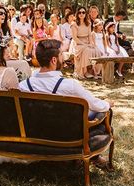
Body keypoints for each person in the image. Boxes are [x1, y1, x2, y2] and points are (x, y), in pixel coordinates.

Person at [19, 39, 113, 170]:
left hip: (38, 134)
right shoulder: (70, 86)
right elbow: (96, 105)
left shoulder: (23, 86)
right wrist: (107, 103)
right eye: (61, 55)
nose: (64, 57)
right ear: (53, 60)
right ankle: (92, 156)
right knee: (104, 110)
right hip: (67, 137)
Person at [71, 7, 102, 79]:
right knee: (87, 50)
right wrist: (84, 44)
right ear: (77, 14)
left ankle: (93, 71)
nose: (81, 14)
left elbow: (89, 36)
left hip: (87, 42)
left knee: (96, 50)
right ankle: (84, 71)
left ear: (85, 14)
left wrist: (91, 43)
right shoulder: (74, 24)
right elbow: (75, 38)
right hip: (78, 44)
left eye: (83, 12)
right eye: (80, 12)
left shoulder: (88, 23)